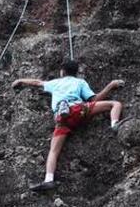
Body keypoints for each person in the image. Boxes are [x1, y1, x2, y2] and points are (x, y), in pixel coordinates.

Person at [12, 58, 125, 192]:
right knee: (115, 104)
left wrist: (20, 80)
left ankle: (49, 180)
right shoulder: (80, 82)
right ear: (76, 72)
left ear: (62, 72)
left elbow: (37, 82)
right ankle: (114, 124)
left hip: (62, 119)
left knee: (53, 151)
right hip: (80, 110)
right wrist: (111, 85)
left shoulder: (55, 83)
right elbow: (95, 99)